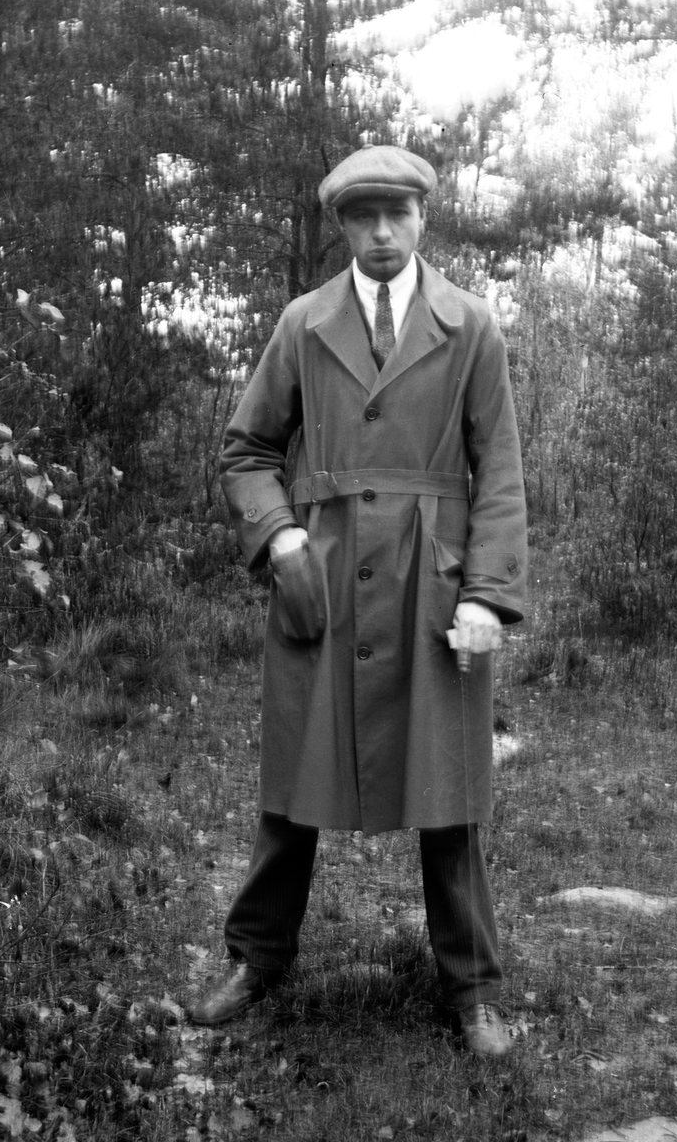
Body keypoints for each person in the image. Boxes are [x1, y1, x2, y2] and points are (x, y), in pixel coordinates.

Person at [189, 144, 527, 1057]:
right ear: (340, 225)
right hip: (324, 578)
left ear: (423, 218)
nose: (381, 233)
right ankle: (258, 958)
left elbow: (498, 469)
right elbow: (248, 450)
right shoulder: (304, 323)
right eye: (362, 216)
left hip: (434, 584)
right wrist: (280, 537)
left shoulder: (472, 325)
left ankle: (472, 987)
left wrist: (488, 594)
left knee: (450, 789)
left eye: (396, 214)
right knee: (293, 782)